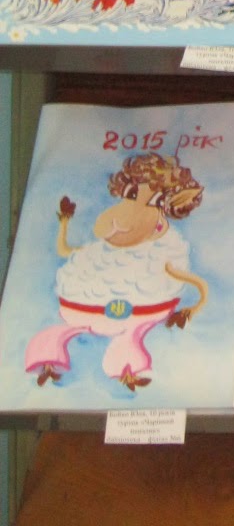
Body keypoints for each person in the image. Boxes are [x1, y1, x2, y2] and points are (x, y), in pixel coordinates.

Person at [26, 152, 207, 393]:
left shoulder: (161, 254)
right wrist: (64, 223)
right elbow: (64, 250)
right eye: (131, 194)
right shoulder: (99, 252)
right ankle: (47, 361)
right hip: (83, 308)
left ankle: (127, 371)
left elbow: (197, 284)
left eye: (153, 201)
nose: (122, 220)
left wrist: (192, 309)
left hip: (139, 312)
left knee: (130, 336)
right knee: (62, 330)